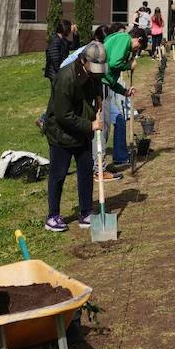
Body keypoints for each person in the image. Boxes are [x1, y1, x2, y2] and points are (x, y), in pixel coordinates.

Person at [41, 41, 106, 231]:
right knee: (58, 174)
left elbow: (97, 82)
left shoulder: (92, 73)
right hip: (61, 133)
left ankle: (86, 213)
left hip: (82, 132)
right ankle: (53, 216)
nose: (96, 71)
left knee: (86, 171)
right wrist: (90, 125)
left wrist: (99, 97)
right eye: (93, 67)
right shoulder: (65, 77)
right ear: (83, 60)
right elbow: (63, 115)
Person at [100, 28, 143, 173]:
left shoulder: (120, 40)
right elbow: (114, 64)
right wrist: (128, 65)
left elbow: (112, 78)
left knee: (114, 121)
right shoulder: (124, 38)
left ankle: (110, 161)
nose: (137, 50)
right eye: (139, 46)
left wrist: (124, 91)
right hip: (100, 86)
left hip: (105, 85)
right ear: (138, 39)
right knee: (102, 128)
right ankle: (98, 167)